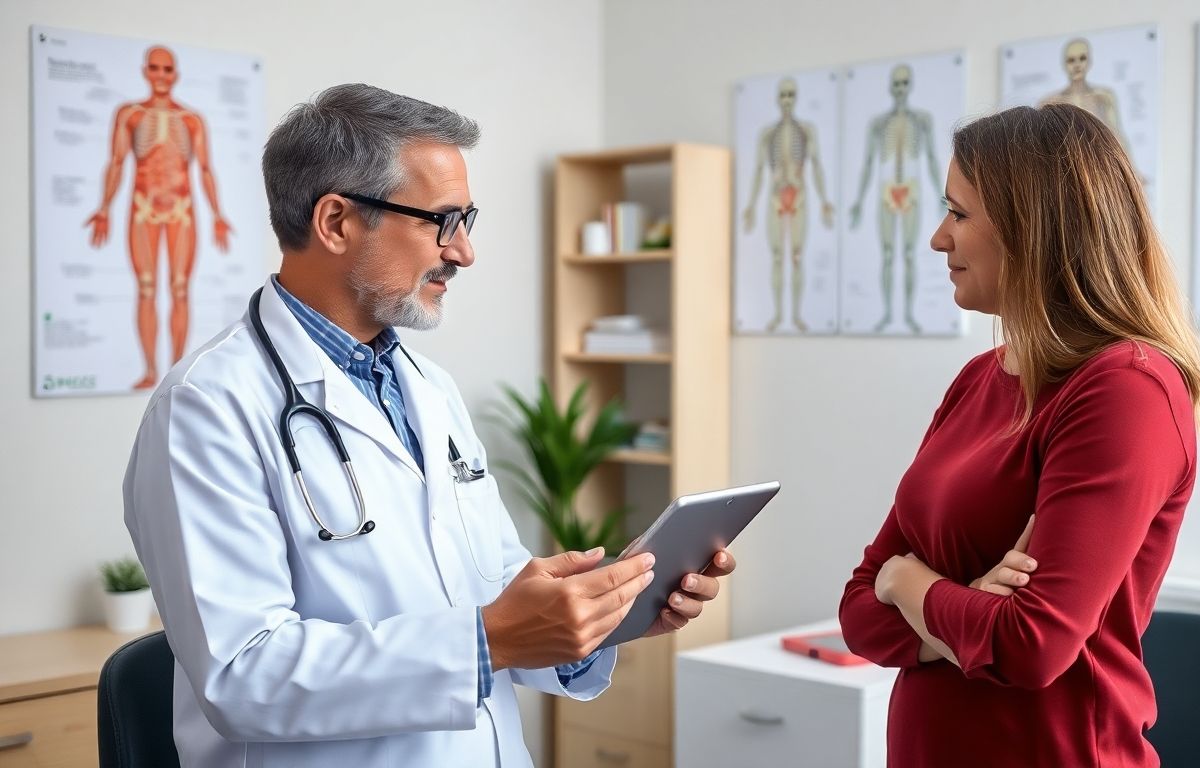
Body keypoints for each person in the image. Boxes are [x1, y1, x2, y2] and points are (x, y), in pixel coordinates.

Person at [122, 83, 733, 767]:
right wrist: (488, 641)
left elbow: (494, 593)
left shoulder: (427, 389)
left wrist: (603, 616)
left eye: (467, 219)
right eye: (441, 221)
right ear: (336, 221)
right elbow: (243, 675)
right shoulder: (208, 406)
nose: (464, 251)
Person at [838, 104, 1200, 767]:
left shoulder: (1125, 390)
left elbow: (1028, 645)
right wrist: (961, 610)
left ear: (1030, 230)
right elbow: (856, 611)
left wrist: (909, 585)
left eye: (958, 214)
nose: (937, 238)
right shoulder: (978, 378)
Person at [86, 45, 231, 389]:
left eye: (167, 70)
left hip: (181, 210)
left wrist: (217, 214)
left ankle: (175, 370)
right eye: (155, 68)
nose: (161, 76)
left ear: (175, 75)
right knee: (147, 288)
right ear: (146, 72)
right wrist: (104, 208)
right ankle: (151, 370)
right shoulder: (129, 114)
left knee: (180, 289)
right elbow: (117, 163)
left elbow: (207, 169)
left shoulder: (191, 119)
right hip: (143, 208)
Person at [849, 63, 940, 333]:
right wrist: (858, 201)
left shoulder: (922, 121)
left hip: (911, 191)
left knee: (909, 254)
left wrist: (941, 196)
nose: (900, 89)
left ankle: (909, 314)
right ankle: (889, 313)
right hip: (886, 192)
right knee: (888, 254)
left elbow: (933, 158)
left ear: (909, 86)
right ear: (891, 87)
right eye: (896, 84)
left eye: (904, 84)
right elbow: (867, 163)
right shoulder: (878, 124)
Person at [741, 76, 835, 332]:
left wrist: (825, 199)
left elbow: (816, 166)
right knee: (776, 257)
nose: (786, 101)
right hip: (774, 197)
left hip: (799, 196)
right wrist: (749, 205)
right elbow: (759, 170)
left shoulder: (806, 130)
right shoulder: (767, 134)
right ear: (777, 99)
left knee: (795, 256)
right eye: (783, 95)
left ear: (796, 99)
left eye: (791, 95)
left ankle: (794, 316)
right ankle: (778, 315)